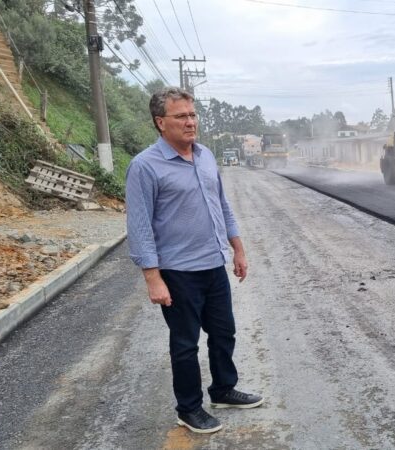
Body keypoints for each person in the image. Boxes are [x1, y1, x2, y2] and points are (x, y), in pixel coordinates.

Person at [126, 87, 263, 435]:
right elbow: (139, 226)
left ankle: (223, 390)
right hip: (177, 271)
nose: (190, 122)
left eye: (192, 114)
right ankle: (188, 409)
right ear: (161, 122)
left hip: (213, 265)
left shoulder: (205, 157)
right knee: (185, 344)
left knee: (223, 332)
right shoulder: (145, 166)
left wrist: (238, 249)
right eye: (181, 116)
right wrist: (152, 278)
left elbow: (222, 205)